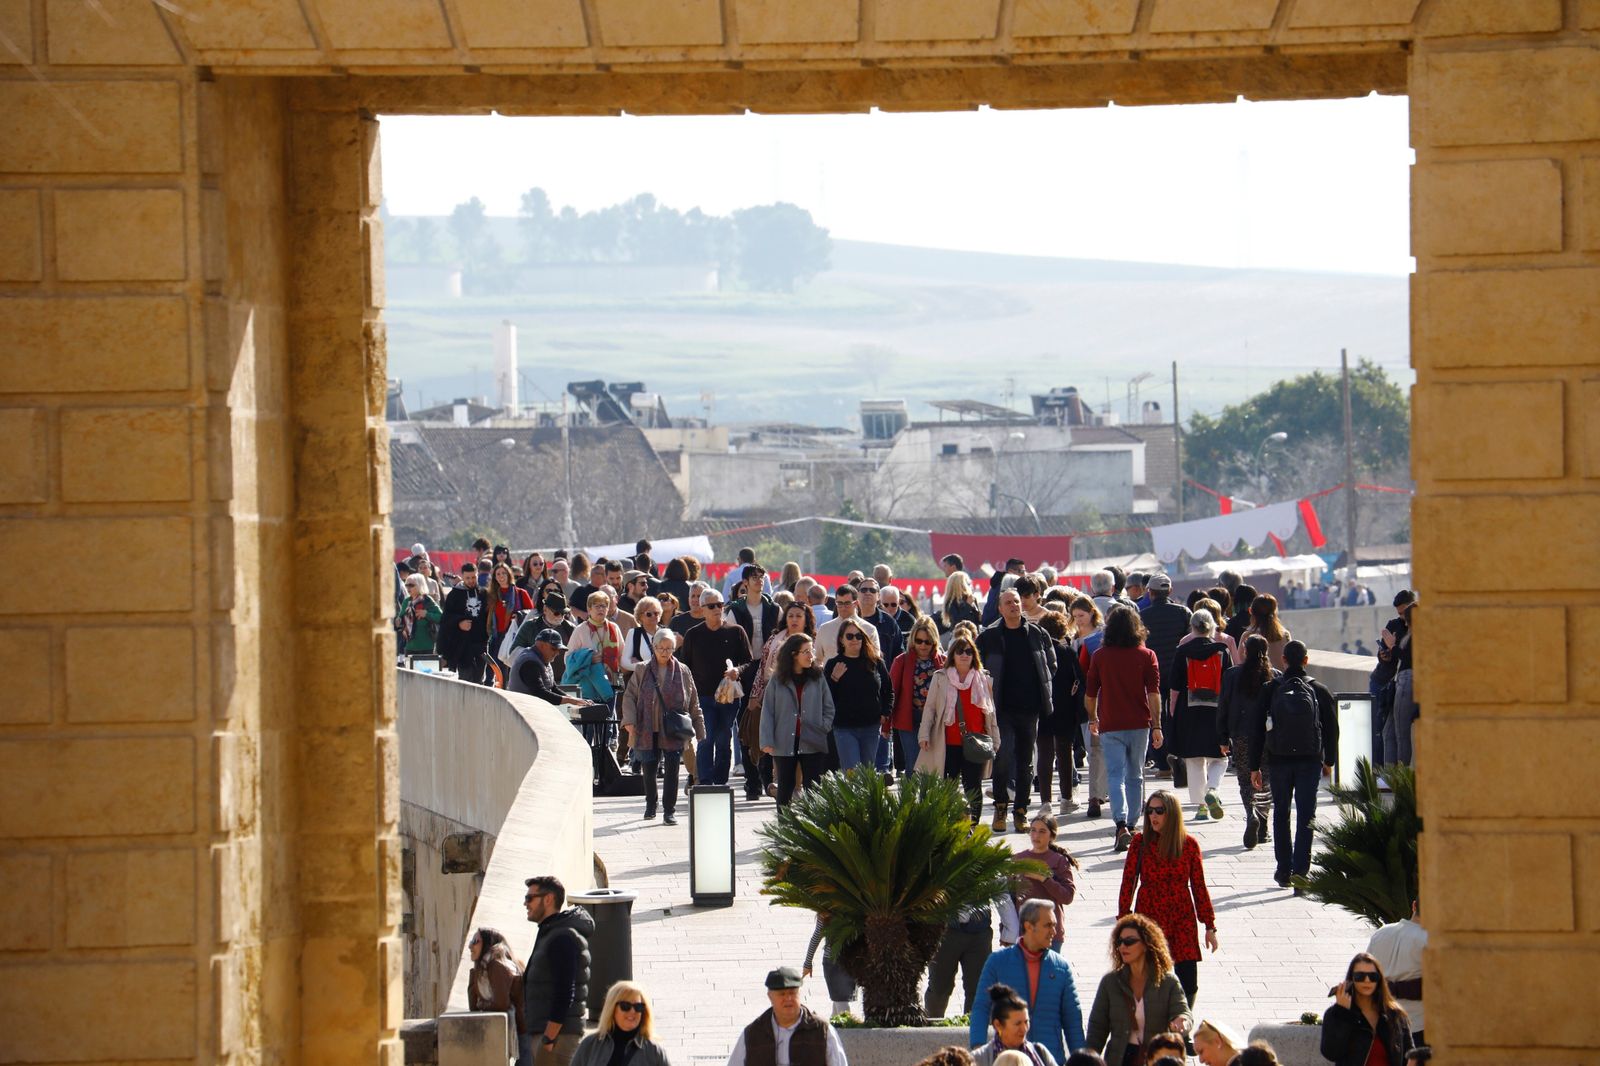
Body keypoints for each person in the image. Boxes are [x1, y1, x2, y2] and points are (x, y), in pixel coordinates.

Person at [1248, 640, 1338, 891]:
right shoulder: (1319, 690)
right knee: (1306, 815)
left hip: (1279, 760)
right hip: (1310, 760)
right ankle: (1301, 873)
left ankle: (1283, 870)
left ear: (1284, 660)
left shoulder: (1270, 689)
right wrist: (1329, 760)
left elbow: (1256, 729)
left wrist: (1254, 765)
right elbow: (1332, 729)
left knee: (1281, 812)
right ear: (1306, 660)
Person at [1118, 789, 1218, 1007]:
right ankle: (1152, 1022)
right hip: (1149, 916)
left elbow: (1199, 886)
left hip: (1182, 917)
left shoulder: (1189, 844)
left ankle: (1183, 1019)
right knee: (1150, 979)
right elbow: (1128, 881)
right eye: (1149, 811)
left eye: (1159, 811)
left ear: (1171, 813)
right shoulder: (1140, 843)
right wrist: (1123, 918)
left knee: (1188, 980)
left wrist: (1209, 925)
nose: (1153, 816)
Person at [976, 589, 1058, 833]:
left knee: (1025, 762)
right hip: (1001, 709)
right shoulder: (989, 637)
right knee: (1002, 759)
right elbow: (978, 669)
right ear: (1000, 608)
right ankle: (1000, 807)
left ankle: (1021, 810)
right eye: (1008, 602)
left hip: (1030, 709)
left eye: (1016, 601)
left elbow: (1051, 665)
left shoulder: (1037, 634)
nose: (1014, 605)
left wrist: (1040, 688)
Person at [970, 899, 1085, 1064]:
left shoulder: (1061, 967)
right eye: (1048, 925)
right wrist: (978, 1048)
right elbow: (981, 1008)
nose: (1054, 931)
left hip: (1049, 1060)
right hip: (1007, 1061)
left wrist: (1081, 1060)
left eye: (1054, 925)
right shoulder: (997, 962)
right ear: (1029, 926)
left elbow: (1072, 1020)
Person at [1086, 606, 1162, 852]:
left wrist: (1093, 718)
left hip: (1111, 723)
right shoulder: (1147, 655)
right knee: (1135, 775)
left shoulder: (1100, 656)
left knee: (1115, 775)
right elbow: (1154, 694)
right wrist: (1157, 725)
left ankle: (1120, 824)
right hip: (1139, 722)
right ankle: (1133, 823)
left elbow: (1090, 694)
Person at [620, 629, 706, 825]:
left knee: (673, 770)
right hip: (647, 727)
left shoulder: (683, 670)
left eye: (669, 649)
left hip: (673, 729)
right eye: (661, 648)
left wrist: (699, 726)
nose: (665, 652)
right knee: (649, 769)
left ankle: (669, 810)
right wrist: (630, 721)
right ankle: (651, 804)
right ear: (654, 647)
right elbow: (630, 696)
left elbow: (693, 700)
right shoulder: (642, 669)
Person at [1084, 915, 1193, 1066]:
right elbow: (1097, 1029)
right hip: (1119, 1059)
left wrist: (1182, 1022)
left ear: (1146, 944)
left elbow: (1182, 1011)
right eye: (1119, 942)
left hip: (1155, 1059)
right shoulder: (1110, 982)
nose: (1123, 946)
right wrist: (1087, 1061)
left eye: (1129, 941)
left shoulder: (1168, 981)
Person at [914, 633, 1000, 822]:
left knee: (973, 786)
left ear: (974, 655)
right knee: (949, 786)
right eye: (960, 651)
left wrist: (995, 738)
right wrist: (924, 735)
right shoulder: (941, 677)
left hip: (976, 742)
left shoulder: (983, 678)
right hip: (949, 741)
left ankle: (973, 826)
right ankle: (950, 824)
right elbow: (930, 709)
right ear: (952, 654)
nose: (964, 655)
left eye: (969, 651)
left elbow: (990, 712)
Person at [679, 589, 753, 786]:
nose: (717, 609)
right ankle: (704, 781)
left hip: (728, 697)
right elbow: (685, 667)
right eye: (711, 606)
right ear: (702, 609)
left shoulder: (736, 631)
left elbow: (748, 661)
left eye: (720, 605)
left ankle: (720, 782)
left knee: (723, 739)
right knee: (706, 739)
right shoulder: (693, 634)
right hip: (702, 697)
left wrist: (737, 670)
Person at [745, 601, 817, 801]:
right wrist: (755, 695)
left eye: (798, 616)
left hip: (806, 699)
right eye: (790, 615)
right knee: (781, 743)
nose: (794, 619)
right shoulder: (775, 640)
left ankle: (797, 788)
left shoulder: (813, 640)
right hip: (778, 697)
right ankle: (782, 785)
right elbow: (762, 669)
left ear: (806, 620)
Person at [521, 875, 594, 1066]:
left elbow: (565, 990)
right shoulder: (550, 933)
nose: (525, 903)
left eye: (529, 898)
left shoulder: (561, 937)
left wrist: (549, 1037)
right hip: (551, 1036)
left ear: (548, 899)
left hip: (557, 1039)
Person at [1168, 609, 1231, 822]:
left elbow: (1175, 685)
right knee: (1220, 757)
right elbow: (1229, 683)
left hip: (1189, 709)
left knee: (1194, 759)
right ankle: (1213, 789)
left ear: (1192, 627)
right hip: (1216, 709)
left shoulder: (1182, 651)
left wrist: (1173, 711)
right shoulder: (1222, 650)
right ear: (1212, 626)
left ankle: (1202, 807)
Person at [1216, 635, 1276, 851]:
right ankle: (1263, 827)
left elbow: (1223, 707)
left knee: (1245, 779)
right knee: (1265, 779)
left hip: (1241, 734)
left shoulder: (1232, 675)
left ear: (1244, 651)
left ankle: (1251, 814)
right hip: (1267, 735)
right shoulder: (1274, 676)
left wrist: (1223, 738)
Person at [761, 634, 836, 806]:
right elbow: (768, 711)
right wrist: (767, 740)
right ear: (794, 654)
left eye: (812, 651)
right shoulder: (777, 679)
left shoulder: (818, 677)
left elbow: (829, 707)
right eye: (806, 651)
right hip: (784, 740)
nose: (811, 656)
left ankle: (812, 821)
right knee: (785, 785)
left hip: (813, 739)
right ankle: (784, 822)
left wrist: (823, 727)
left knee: (813, 787)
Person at [726, 966, 848, 1066]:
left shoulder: (822, 1031)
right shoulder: (753, 1034)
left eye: (792, 993)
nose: (788, 999)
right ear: (770, 997)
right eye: (782, 994)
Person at [1139, 573, 1191, 786]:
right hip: (1179, 672)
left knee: (1155, 716)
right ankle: (1179, 755)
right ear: (1169, 591)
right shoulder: (1183, 613)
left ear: (1149, 592)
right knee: (1177, 715)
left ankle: (1162, 764)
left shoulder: (1142, 615)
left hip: (1153, 672)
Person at [824, 617, 893, 772]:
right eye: (849, 636)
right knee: (852, 773)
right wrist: (834, 678)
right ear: (841, 640)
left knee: (867, 773)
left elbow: (888, 690)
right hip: (844, 727)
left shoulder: (875, 662)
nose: (854, 640)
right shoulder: (833, 664)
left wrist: (885, 712)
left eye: (858, 636)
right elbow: (826, 697)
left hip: (871, 725)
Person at [1320, 954, 1414, 1066]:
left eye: (1373, 976)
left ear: (1379, 980)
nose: (1367, 980)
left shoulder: (1394, 1014)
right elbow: (1331, 1053)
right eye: (1360, 976)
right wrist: (1344, 1013)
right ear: (1351, 979)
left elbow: (1410, 1055)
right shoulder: (1336, 1014)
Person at [1034, 611, 1083, 813]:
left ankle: (1045, 801)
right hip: (1065, 707)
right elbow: (1078, 680)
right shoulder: (1067, 652)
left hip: (1041, 707)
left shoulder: (1036, 653)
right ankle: (1066, 798)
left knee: (1044, 753)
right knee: (1064, 752)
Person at [1068, 597, 1109, 819]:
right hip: (1084, 699)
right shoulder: (1074, 639)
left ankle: (1101, 791)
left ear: (1092, 613)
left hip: (1099, 695)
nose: (1078, 620)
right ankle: (1100, 791)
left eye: (1081, 615)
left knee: (1100, 747)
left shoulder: (1100, 637)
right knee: (1092, 746)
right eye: (1075, 616)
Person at [1012, 814, 1078, 951]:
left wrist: (1044, 879)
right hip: (1024, 933)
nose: (1036, 835)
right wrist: (1005, 929)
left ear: (1051, 836)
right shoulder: (1018, 859)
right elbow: (1010, 898)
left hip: (1051, 934)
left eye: (1042, 831)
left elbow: (1067, 897)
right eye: (1033, 830)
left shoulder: (1059, 860)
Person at [568, 980, 671, 1066]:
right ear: (612, 1009)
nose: (632, 1011)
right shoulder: (590, 1045)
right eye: (625, 1006)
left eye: (638, 1007)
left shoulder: (654, 1051)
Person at [1365, 902, 1425, 1045]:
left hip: (1382, 1023)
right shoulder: (1431, 941)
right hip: (1418, 1027)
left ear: (1414, 906)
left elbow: (1365, 971)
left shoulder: (1381, 932)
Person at [890, 616, 945, 772]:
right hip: (910, 719)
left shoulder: (944, 662)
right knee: (913, 763)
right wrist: (886, 726)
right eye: (919, 641)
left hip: (935, 719)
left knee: (934, 764)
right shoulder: (901, 661)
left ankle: (930, 790)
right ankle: (911, 789)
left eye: (928, 641)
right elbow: (891, 692)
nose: (923, 645)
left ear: (934, 641)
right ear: (913, 640)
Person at [924, 901, 994, 1019]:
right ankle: (932, 1026)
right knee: (938, 987)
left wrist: (1010, 928)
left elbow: (1002, 893)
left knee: (979, 988)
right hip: (944, 930)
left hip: (980, 933)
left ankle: (974, 1027)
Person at [970, 984, 1061, 1066]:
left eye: (1026, 1022)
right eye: (1018, 1024)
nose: (1024, 1029)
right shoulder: (979, 1059)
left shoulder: (1040, 1052)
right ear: (998, 1025)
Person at [506, 630, 591, 710]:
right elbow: (540, 693)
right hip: (522, 712)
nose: (557, 653)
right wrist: (571, 700)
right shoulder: (530, 662)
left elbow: (553, 688)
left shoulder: (541, 659)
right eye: (554, 649)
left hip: (530, 710)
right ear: (541, 645)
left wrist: (575, 699)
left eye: (558, 650)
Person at [467, 927, 525, 1040]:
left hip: (519, 1035)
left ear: (487, 944)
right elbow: (473, 1007)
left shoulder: (497, 966)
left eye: (475, 941)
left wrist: (482, 1005)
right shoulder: (483, 970)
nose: (470, 946)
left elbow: (501, 1004)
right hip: (506, 1032)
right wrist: (475, 972)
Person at [439, 561, 492, 684]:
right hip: (462, 645)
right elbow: (446, 618)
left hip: (481, 644)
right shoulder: (454, 595)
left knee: (479, 681)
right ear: (462, 577)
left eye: (473, 577)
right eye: (467, 578)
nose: (471, 580)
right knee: (466, 681)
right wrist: (459, 622)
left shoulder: (483, 593)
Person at [802, 913, 857, 1017]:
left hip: (841, 962)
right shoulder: (826, 913)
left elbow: (816, 937)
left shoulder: (826, 912)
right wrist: (807, 963)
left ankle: (838, 1026)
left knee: (839, 1001)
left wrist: (807, 964)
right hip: (839, 963)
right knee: (839, 1001)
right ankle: (840, 1025)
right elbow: (816, 937)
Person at [816, 584, 877, 662]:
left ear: (856, 603)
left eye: (847, 603)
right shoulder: (824, 629)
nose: (843, 607)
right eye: (840, 603)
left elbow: (875, 659)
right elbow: (817, 659)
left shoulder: (869, 629)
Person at [1242, 594, 1292, 671]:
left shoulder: (1247, 635)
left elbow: (1239, 662)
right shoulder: (1285, 635)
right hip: (1280, 678)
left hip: (1255, 678)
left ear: (1251, 611)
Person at [398, 573, 443, 655]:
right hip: (409, 646)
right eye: (406, 585)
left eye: (411, 585)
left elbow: (441, 617)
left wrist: (426, 614)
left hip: (426, 647)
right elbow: (400, 620)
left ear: (419, 585)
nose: (408, 588)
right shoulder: (406, 601)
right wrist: (399, 623)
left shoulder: (427, 600)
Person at [622, 596, 671, 668]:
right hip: (642, 675)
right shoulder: (634, 633)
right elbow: (624, 662)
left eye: (656, 613)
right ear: (640, 616)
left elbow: (670, 660)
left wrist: (641, 664)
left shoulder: (666, 633)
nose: (653, 616)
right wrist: (644, 667)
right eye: (649, 614)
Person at [982, 558, 1028, 626]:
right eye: (1021, 571)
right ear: (1010, 571)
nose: (1024, 574)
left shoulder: (996, 585)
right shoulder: (1005, 588)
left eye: (1025, 571)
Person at [941, 570, 982, 635]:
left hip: (974, 635)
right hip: (959, 636)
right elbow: (957, 620)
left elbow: (978, 621)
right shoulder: (951, 602)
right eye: (967, 583)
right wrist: (968, 605)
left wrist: (980, 616)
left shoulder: (971, 598)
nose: (969, 585)